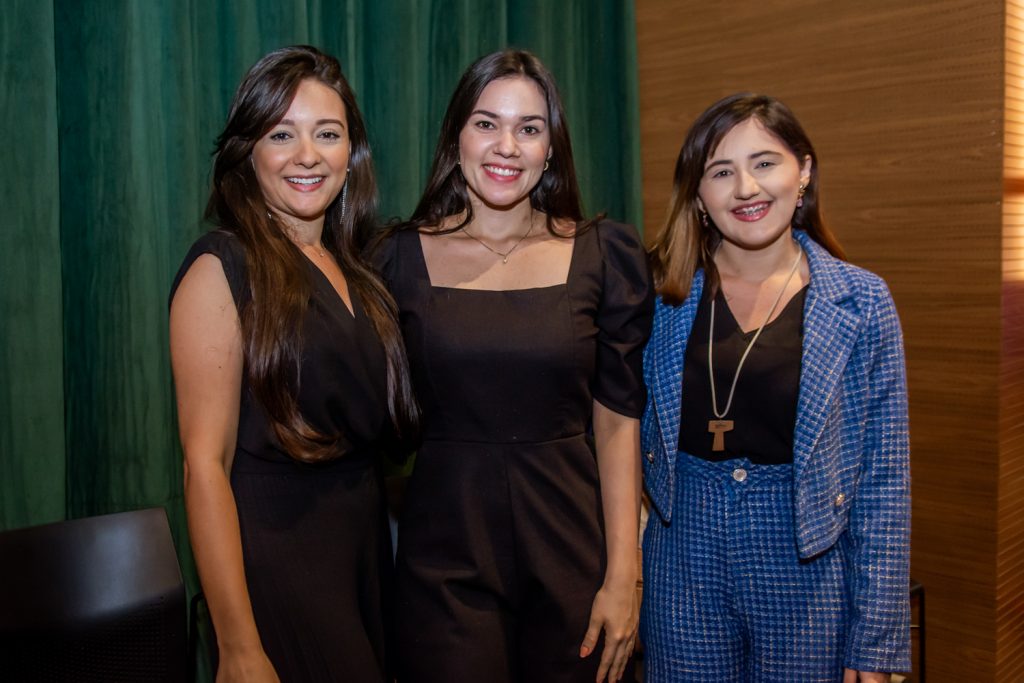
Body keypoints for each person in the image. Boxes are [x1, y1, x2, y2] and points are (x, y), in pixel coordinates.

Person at [372, 49, 653, 683]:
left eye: (529, 128)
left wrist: (622, 576)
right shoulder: (393, 259)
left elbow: (616, 424)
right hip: (444, 557)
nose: (508, 146)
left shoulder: (604, 254)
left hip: (572, 550)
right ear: (456, 137)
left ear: (551, 148)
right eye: (486, 123)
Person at [639, 92, 911, 682]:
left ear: (804, 171)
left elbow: (884, 481)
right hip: (681, 553)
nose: (746, 188)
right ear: (699, 196)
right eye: (721, 171)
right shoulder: (657, 296)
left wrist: (879, 641)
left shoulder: (862, 303)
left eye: (765, 162)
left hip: (806, 560)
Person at [169, 45, 418, 682]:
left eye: (327, 134)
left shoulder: (357, 269)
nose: (308, 155)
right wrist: (238, 644)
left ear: (351, 154)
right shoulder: (221, 267)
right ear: (248, 152)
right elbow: (205, 466)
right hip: (279, 562)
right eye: (282, 134)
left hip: (361, 555)